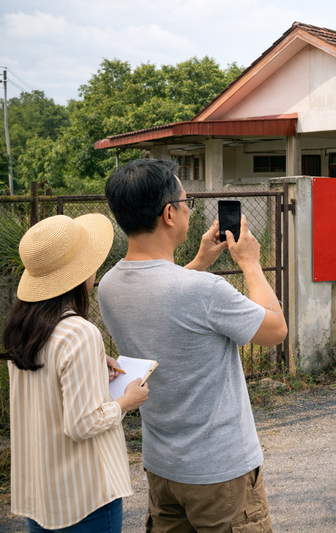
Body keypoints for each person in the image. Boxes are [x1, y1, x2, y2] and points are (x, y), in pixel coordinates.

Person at [98, 158, 287, 533]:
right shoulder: (205, 291)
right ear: (169, 214)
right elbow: (275, 330)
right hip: (220, 471)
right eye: (187, 202)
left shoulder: (109, 286)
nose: (189, 209)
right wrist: (250, 263)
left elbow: (161, 296)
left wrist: (199, 261)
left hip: (162, 467)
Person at [2, 214, 150, 532]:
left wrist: (93, 364)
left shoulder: (23, 329)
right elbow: (83, 424)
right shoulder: (79, 333)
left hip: (42, 496)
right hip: (85, 498)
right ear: (78, 272)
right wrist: (128, 400)